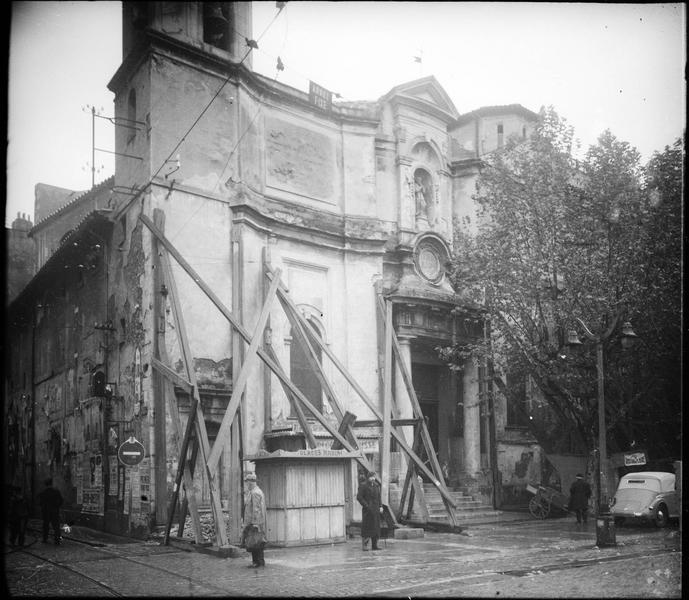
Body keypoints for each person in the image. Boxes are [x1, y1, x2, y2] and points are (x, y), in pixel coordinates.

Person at [242, 471, 267, 568]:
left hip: (255, 522)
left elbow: (256, 509)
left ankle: (257, 562)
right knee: (256, 542)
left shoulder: (255, 493)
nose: (246, 484)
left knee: (255, 542)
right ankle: (258, 562)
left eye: (247, 482)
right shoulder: (254, 492)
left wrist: (255, 523)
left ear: (251, 482)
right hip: (254, 522)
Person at [357, 470, 383, 551]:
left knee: (376, 527)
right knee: (367, 528)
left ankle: (374, 545)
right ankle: (365, 545)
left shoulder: (376, 485)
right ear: (368, 477)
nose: (373, 479)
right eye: (371, 477)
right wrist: (366, 506)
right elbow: (359, 497)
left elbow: (379, 497)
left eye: (374, 477)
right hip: (367, 511)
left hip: (376, 510)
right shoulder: (363, 485)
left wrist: (381, 506)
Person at [38, 478, 63, 544]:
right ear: (51, 484)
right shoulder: (56, 492)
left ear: (45, 484)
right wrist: (57, 507)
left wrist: (43, 507)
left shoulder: (43, 493)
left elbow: (40, 503)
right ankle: (57, 540)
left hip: (46, 512)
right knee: (56, 526)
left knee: (46, 526)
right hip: (55, 511)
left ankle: (45, 539)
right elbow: (61, 501)